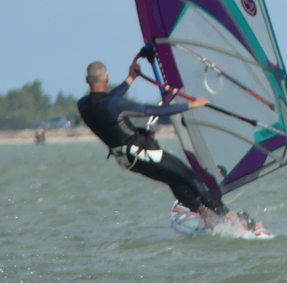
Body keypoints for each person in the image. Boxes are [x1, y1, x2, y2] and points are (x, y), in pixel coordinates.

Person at [77, 58, 238, 230]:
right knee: (194, 179)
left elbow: (107, 99)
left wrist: (131, 78)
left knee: (175, 182)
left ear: (87, 80)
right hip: (145, 154)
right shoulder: (114, 104)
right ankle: (233, 220)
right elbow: (153, 110)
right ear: (107, 78)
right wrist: (191, 105)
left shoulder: (83, 105)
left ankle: (209, 219)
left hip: (128, 161)